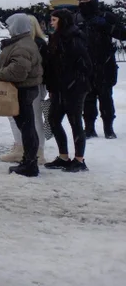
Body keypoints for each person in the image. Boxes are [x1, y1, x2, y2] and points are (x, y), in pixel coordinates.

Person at [0, 14, 43, 177]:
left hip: (22, 90)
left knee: (27, 127)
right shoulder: (23, 42)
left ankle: (30, 164)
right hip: (24, 90)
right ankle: (29, 160)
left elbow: (18, 71)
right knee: (27, 127)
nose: (8, 28)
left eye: (10, 25)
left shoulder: (22, 45)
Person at [43, 9, 91, 172]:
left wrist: (73, 83)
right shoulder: (56, 37)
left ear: (63, 21)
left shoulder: (74, 38)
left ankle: (79, 159)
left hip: (74, 88)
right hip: (59, 87)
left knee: (75, 121)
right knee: (53, 119)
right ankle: (63, 156)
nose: (51, 22)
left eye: (54, 19)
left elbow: (83, 64)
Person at [76, 0, 124, 139]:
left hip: (104, 64)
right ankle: (89, 128)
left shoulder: (106, 16)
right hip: (84, 65)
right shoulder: (76, 18)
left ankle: (108, 128)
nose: (84, 2)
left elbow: (123, 34)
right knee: (88, 99)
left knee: (106, 98)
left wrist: (108, 27)